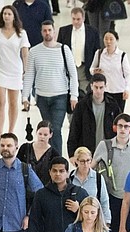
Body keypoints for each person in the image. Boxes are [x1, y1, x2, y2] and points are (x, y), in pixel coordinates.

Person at [22, 20, 78, 156]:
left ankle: (57, 160)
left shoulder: (64, 50)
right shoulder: (34, 51)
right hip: (41, 97)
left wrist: (74, 95)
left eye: (49, 30)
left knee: (56, 128)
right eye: (44, 30)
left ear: (54, 31)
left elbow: (73, 73)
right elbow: (29, 74)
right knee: (47, 129)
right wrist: (25, 96)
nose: (47, 33)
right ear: (41, 32)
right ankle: (48, 156)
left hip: (60, 96)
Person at [25, 157, 89, 232]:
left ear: (68, 173)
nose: (58, 174)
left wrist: (79, 210)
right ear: (49, 172)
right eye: (54, 171)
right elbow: (34, 224)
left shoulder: (80, 193)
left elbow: (93, 219)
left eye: (61, 171)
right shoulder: (41, 195)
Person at [0, 5, 30, 138]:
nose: (6, 16)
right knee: (0, 102)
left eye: (9, 14)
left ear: (14, 16)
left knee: (13, 103)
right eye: (4, 14)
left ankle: (10, 131)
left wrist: (26, 72)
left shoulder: (21, 33)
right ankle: (0, 133)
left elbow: (25, 54)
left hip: (15, 71)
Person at [67, 74, 121, 157]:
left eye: (101, 87)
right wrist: (71, 154)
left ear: (105, 87)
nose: (98, 91)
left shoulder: (113, 105)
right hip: (87, 152)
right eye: (96, 87)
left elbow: (119, 128)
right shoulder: (82, 106)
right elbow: (74, 129)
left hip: (108, 151)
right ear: (91, 86)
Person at [57, 7, 101, 97]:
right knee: (70, 94)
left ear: (83, 19)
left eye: (78, 19)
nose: (76, 22)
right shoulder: (64, 31)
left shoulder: (93, 32)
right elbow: (59, 51)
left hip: (85, 68)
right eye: (73, 19)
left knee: (83, 95)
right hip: (69, 67)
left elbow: (97, 51)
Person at [90, 30, 130, 112]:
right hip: (104, 91)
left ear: (116, 40)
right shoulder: (99, 53)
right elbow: (91, 68)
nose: (108, 42)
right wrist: (94, 71)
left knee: (118, 115)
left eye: (111, 39)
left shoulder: (122, 55)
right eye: (106, 39)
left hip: (119, 91)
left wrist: (127, 89)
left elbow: (128, 74)